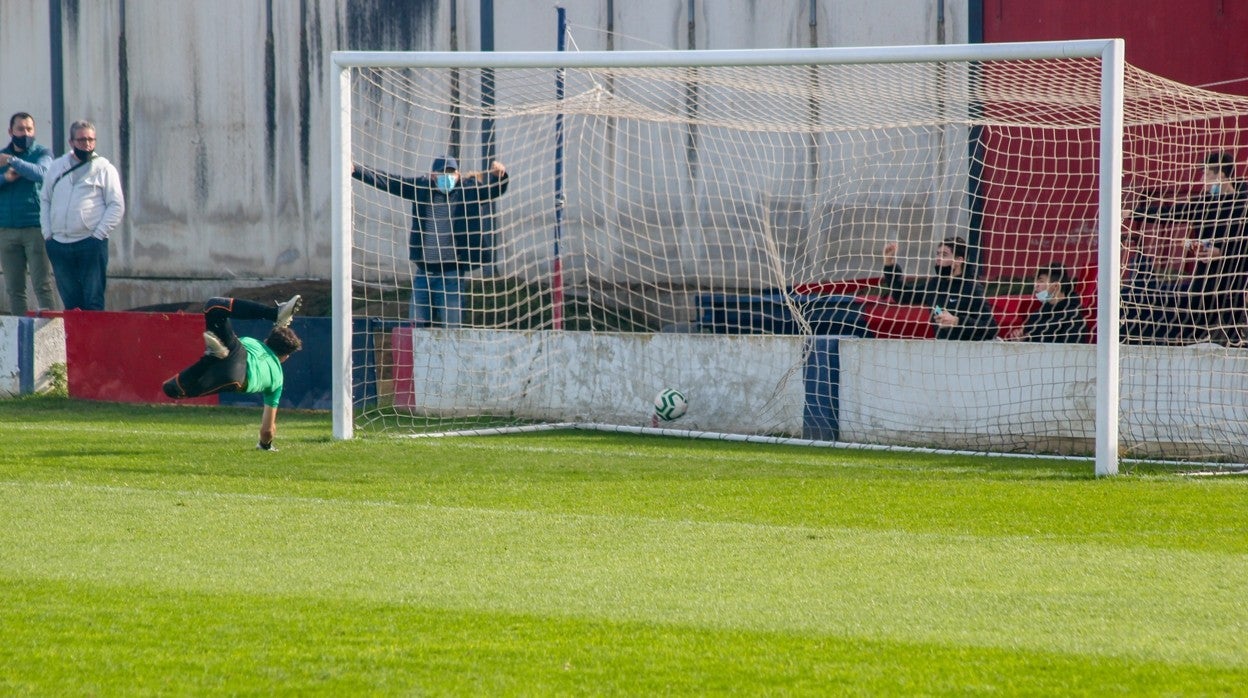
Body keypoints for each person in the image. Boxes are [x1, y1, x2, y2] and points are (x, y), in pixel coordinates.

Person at [352, 155, 510, 327]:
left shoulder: (468, 190)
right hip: (424, 274)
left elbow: (492, 191)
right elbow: (390, 182)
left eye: (451, 173)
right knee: (417, 328)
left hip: (451, 274)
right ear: (433, 175)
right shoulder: (421, 188)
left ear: (458, 174)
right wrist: (357, 170)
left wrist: (499, 177)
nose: (447, 177)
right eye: (442, 173)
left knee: (452, 329)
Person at [1132, 151, 1248, 345]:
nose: (1202, 179)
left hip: (1232, 283)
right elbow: (1170, 213)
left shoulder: (1243, 206)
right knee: (1189, 323)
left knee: (1231, 333)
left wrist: (1222, 253)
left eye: (1205, 173)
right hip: (1203, 281)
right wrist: (1133, 213)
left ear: (1220, 175)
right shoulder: (1204, 204)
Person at [162, 295, 303, 450]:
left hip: (235, 353)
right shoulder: (278, 378)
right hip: (236, 379)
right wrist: (265, 445)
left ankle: (273, 314)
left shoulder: (252, 341)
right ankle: (213, 356)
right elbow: (267, 430)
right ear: (286, 357)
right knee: (172, 389)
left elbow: (229, 343)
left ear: (266, 341)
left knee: (214, 306)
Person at [39, 120, 125, 311]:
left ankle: (95, 341)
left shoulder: (105, 169)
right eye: (81, 140)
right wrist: (48, 235)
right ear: (71, 142)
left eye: (90, 140)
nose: (86, 144)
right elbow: (45, 200)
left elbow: (116, 205)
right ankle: (75, 342)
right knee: (71, 303)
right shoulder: (57, 167)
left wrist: (98, 235)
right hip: (59, 244)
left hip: (90, 242)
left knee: (93, 300)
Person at [880, 235, 999, 340]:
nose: (938, 258)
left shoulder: (972, 287)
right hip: (943, 352)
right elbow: (902, 296)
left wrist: (957, 321)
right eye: (938, 254)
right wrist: (889, 264)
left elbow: (991, 327)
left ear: (958, 261)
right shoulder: (934, 285)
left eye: (944, 255)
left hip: (969, 354)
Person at [0, 112, 56, 314]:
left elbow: (41, 173)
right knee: (14, 289)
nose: (25, 133)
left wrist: (13, 162)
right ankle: (18, 334)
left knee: (42, 284)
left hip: (34, 228)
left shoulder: (42, 153)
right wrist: (6, 178)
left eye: (29, 129)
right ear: (10, 131)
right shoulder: (1, 156)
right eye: (20, 129)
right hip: (6, 230)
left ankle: (51, 334)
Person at [1003, 262, 1089, 343]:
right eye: (1036, 281)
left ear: (1055, 286)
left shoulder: (1073, 316)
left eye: (1041, 281)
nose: (1035, 285)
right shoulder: (1037, 315)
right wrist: (1020, 337)